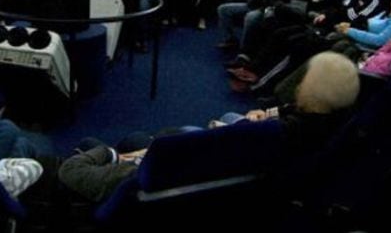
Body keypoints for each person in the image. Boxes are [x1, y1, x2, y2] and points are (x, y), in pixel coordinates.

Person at [58, 51, 361, 203]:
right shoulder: (332, 121)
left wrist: (128, 156)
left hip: (174, 176)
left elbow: (180, 151)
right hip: (227, 166)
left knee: (111, 142)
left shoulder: (273, 135)